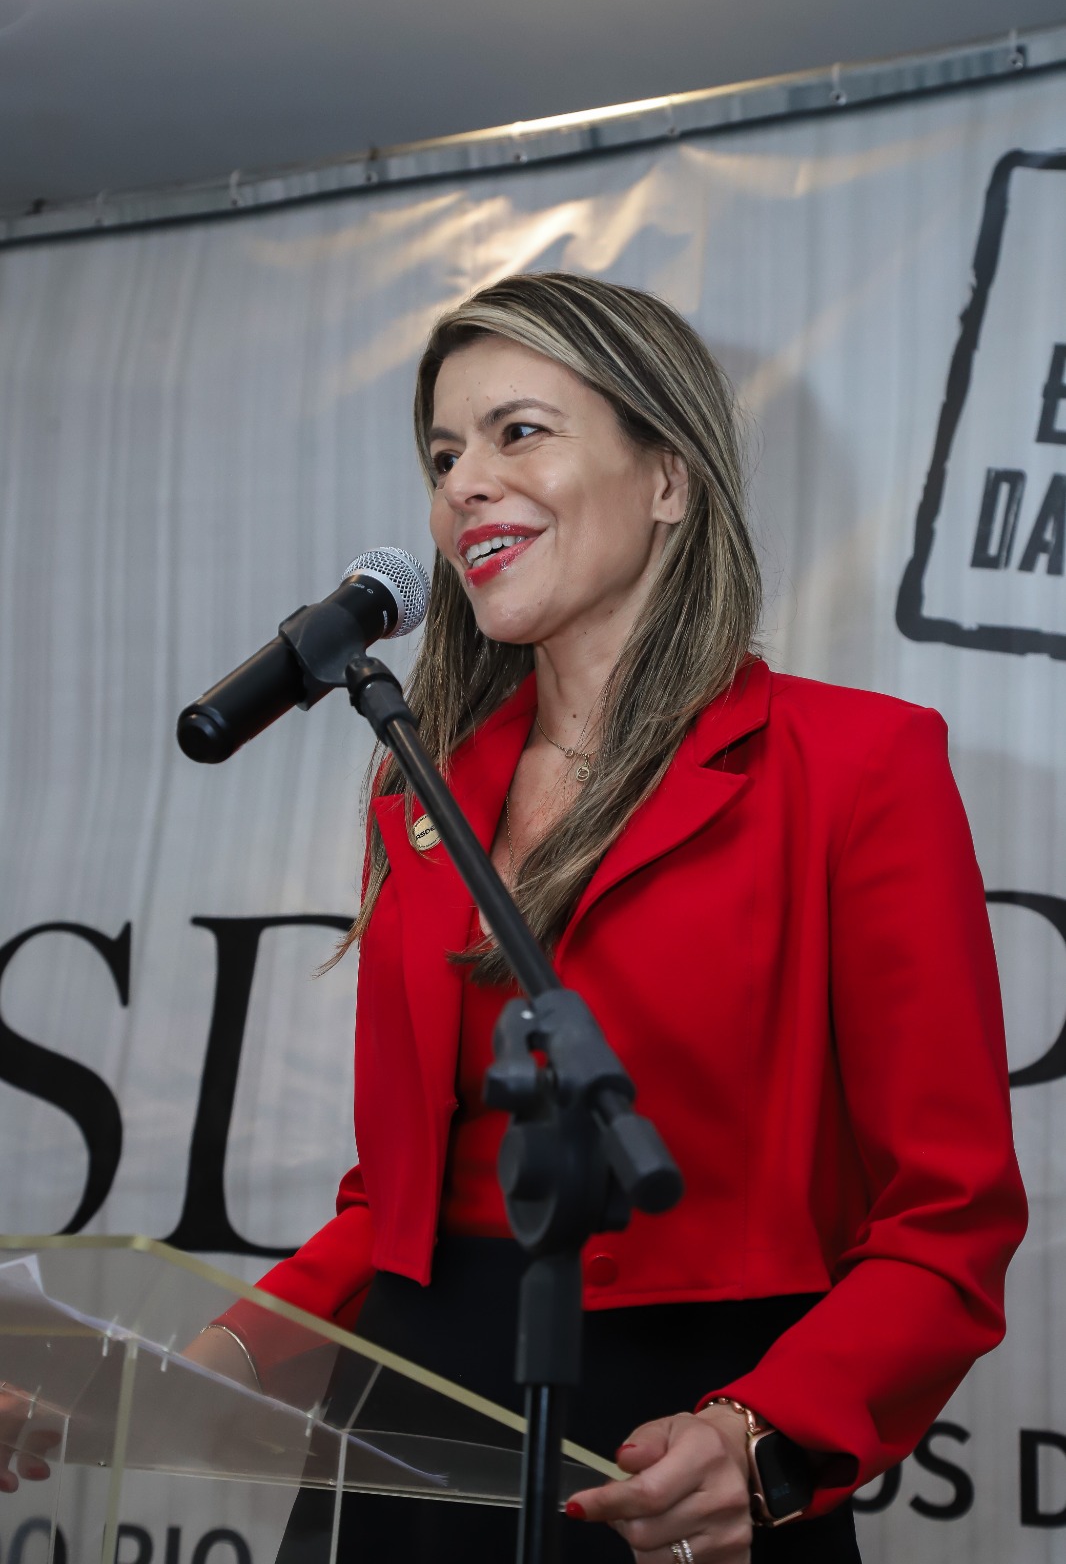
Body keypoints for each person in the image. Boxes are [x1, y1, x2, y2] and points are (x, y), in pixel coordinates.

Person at [188, 272, 1027, 1562]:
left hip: (690, 1440)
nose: (464, 485)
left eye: (518, 432)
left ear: (669, 479)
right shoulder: (420, 794)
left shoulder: (860, 766)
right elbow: (392, 1210)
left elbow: (949, 1221)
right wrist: (205, 1360)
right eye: (444, 457)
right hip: (402, 1439)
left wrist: (762, 1433)